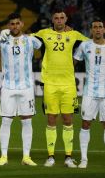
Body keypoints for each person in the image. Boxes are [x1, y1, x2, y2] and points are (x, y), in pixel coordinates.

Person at [32, 9, 89, 167]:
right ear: (52, 19)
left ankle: (68, 157)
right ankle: (50, 157)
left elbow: (91, 44)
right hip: (50, 83)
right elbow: (25, 39)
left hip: (69, 84)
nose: (59, 20)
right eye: (56, 18)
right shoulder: (43, 33)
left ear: (66, 19)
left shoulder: (74, 34)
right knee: (51, 119)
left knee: (68, 119)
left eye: (61, 18)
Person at [0, 13, 42, 166]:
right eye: (11, 24)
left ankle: (26, 156)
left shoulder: (30, 40)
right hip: (8, 87)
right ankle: (3, 156)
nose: (14, 26)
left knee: (27, 120)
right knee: (6, 120)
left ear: (22, 24)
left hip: (26, 87)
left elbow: (42, 46)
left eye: (17, 23)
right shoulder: (4, 41)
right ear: (8, 26)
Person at [73, 18, 105, 168]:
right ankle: (84, 159)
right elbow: (72, 63)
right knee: (85, 124)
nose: (97, 29)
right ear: (91, 30)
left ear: (103, 30)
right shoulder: (84, 46)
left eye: (100, 27)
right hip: (89, 92)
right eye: (95, 27)